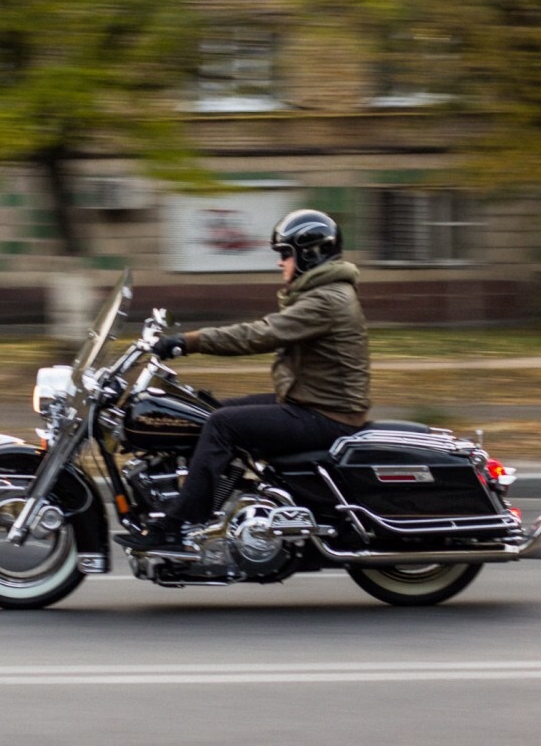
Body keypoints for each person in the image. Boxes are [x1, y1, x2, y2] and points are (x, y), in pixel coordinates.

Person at [115, 209, 371, 552]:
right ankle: (221, 501)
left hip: (328, 415)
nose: (280, 263)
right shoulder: (322, 294)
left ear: (310, 254)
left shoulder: (327, 300)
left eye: (285, 254)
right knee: (209, 411)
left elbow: (260, 334)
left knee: (222, 425)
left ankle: (178, 526)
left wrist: (187, 342)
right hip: (311, 401)